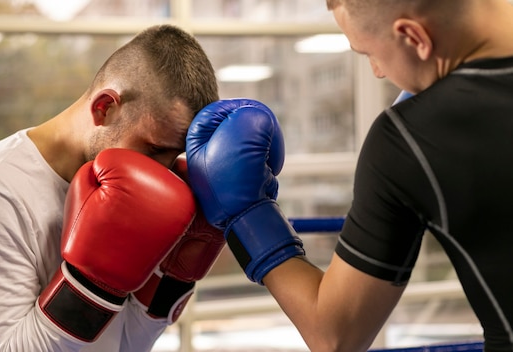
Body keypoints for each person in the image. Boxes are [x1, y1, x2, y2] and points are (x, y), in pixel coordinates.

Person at [184, 0, 513, 351]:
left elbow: (335, 335)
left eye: (369, 53)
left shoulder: (414, 138)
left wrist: (247, 212)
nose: (378, 72)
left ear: (414, 36)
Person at [0, 24, 223, 352]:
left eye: (173, 155)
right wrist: (92, 285)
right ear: (104, 107)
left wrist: (174, 277)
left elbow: (124, 345)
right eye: (153, 148)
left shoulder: (124, 192)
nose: (162, 170)